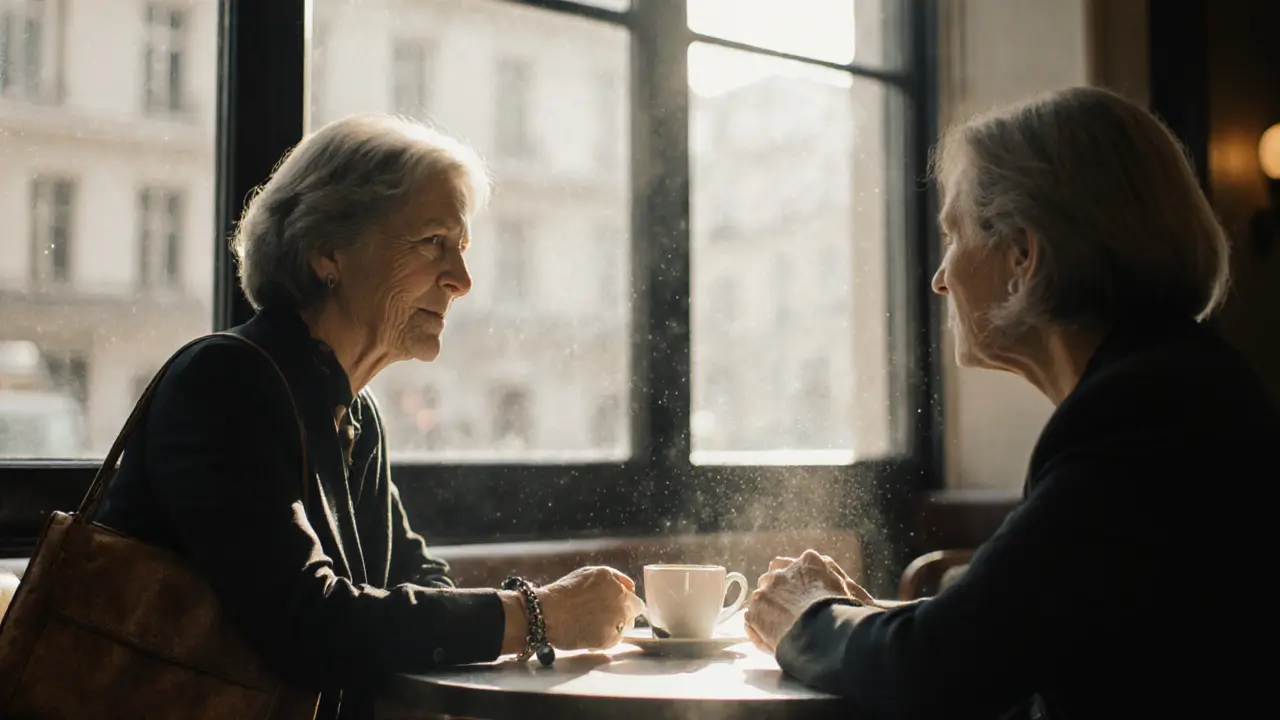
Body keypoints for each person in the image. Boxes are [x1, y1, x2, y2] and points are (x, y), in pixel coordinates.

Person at [745, 86, 1277, 718]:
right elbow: (1033, 632)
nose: (940, 278)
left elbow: (941, 669)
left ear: (1024, 254)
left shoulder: (1143, 416)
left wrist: (807, 618)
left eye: (953, 234)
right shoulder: (1177, 383)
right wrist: (873, 622)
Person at [95, 115, 643, 719]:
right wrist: (540, 615)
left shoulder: (353, 410)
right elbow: (306, 624)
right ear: (328, 249)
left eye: (461, 249)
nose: (461, 280)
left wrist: (525, 616)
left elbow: (419, 578)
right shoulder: (226, 381)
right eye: (434, 241)